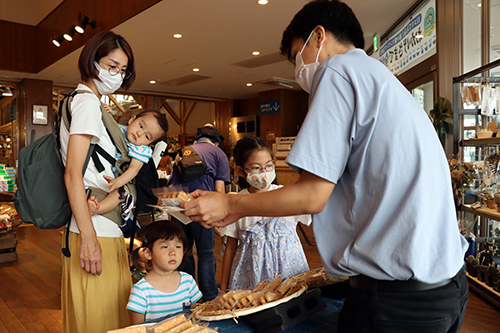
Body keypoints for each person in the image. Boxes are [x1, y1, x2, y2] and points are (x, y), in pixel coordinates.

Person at [182, 1, 469, 332]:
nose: (298, 68)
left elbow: (311, 196)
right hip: (444, 288)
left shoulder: (338, 70)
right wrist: (241, 209)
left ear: (318, 36)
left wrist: (230, 201)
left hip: (397, 301)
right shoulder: (380, 80)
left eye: (295, 55)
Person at [60, 31, 136, 332]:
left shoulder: (82, 101)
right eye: (111, 65)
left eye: (122, 70)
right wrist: (89, 240)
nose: (116, 75)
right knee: (102, 320)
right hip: (95, 229)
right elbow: (72, 173)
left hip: (97, 224)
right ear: (92, 62)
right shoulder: (87, 103)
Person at [219, 136, 311, 292]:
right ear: (240, 171)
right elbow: (230, 248)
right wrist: (222, 289)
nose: (264, 172)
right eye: (256, 167)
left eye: (269, 166)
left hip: (290, 275)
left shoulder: (286, 196)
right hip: (252, 279)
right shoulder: (236, 203)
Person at [167, 124, 230, 301]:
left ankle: (188, 295)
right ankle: (209, 295)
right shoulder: (219, 154)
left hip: (178, 206)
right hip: (203, 207)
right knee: (206, 252)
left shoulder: (183, 151)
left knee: (184, 251)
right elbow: (219, 192)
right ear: (216, 142)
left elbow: (172, 184)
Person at [87, 109, 169, 222]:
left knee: (120, 195)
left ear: (150, 144)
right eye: (140, 126)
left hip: (122, 178)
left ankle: (97, 208)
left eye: (147, 136)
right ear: (132, 119)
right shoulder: (119, 128)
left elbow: (133, 170)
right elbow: (108, 125)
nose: (139, 133)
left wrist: (118, 182)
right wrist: (108, 113)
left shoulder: (141, 149)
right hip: (101, 169)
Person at [127, 220, 202, 324]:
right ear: (148, 253)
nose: (173, 252)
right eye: (165, 247)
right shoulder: (141, 291)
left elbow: (194, 320)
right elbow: (137, 329)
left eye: (178, 246)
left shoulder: (188, 282)